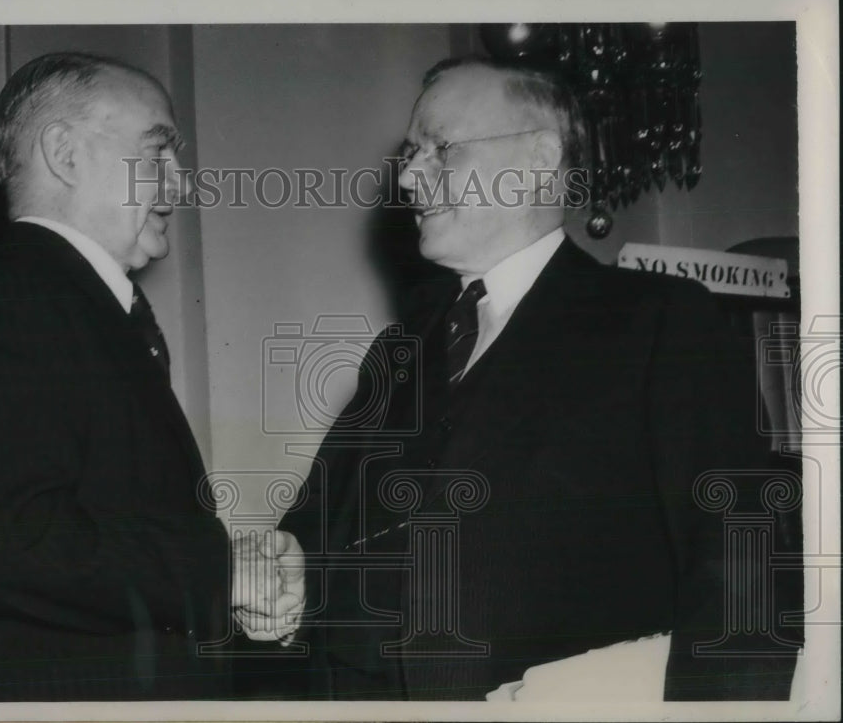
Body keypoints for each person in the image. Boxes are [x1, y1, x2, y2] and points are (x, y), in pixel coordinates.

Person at [277, 58, 801, 701]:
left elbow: (740, 570)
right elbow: (311, 528)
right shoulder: (396, 350)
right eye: (411, 154)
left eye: (441, 148)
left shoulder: (659, 322)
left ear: (539, 158)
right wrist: (288, 576)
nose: (409, 177)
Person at [0, 52, 235, 701]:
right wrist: (222, 574)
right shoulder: (12, 296)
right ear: (65, 154)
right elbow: (11, 544)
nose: (179, 186)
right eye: (157, 152)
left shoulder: (68, 302)